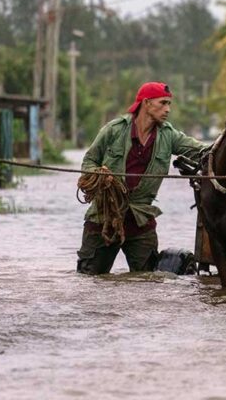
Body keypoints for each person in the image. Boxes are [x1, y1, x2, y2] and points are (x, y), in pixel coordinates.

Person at [76, 81, 207, 275]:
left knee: (147, 282)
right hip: (104, 218)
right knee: (90, 279)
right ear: (146, 103)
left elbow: (203, 152)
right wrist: (100, 176)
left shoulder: (169, 136)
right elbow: (88, 162)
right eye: (163, 103)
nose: (168, 109)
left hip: (141, 220)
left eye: (169, 104)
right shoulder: (113, 130)